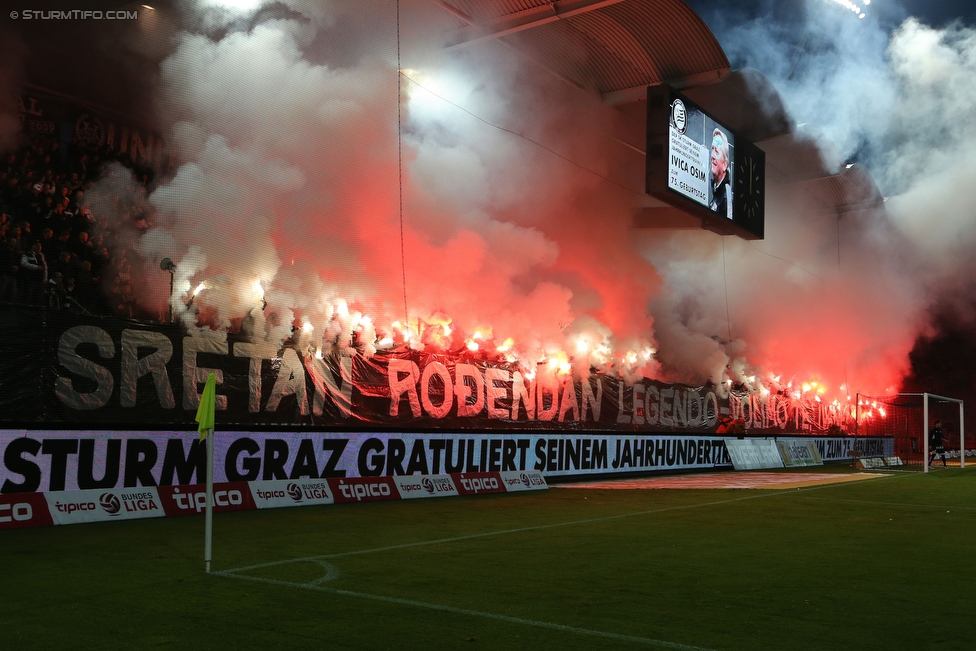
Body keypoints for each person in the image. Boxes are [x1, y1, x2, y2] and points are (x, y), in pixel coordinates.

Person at [709, 128, 732, 220]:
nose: (712, 155)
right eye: (712, 149)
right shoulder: (716, 190)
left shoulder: (727, 196)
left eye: (717, 151)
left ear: (725, 164)